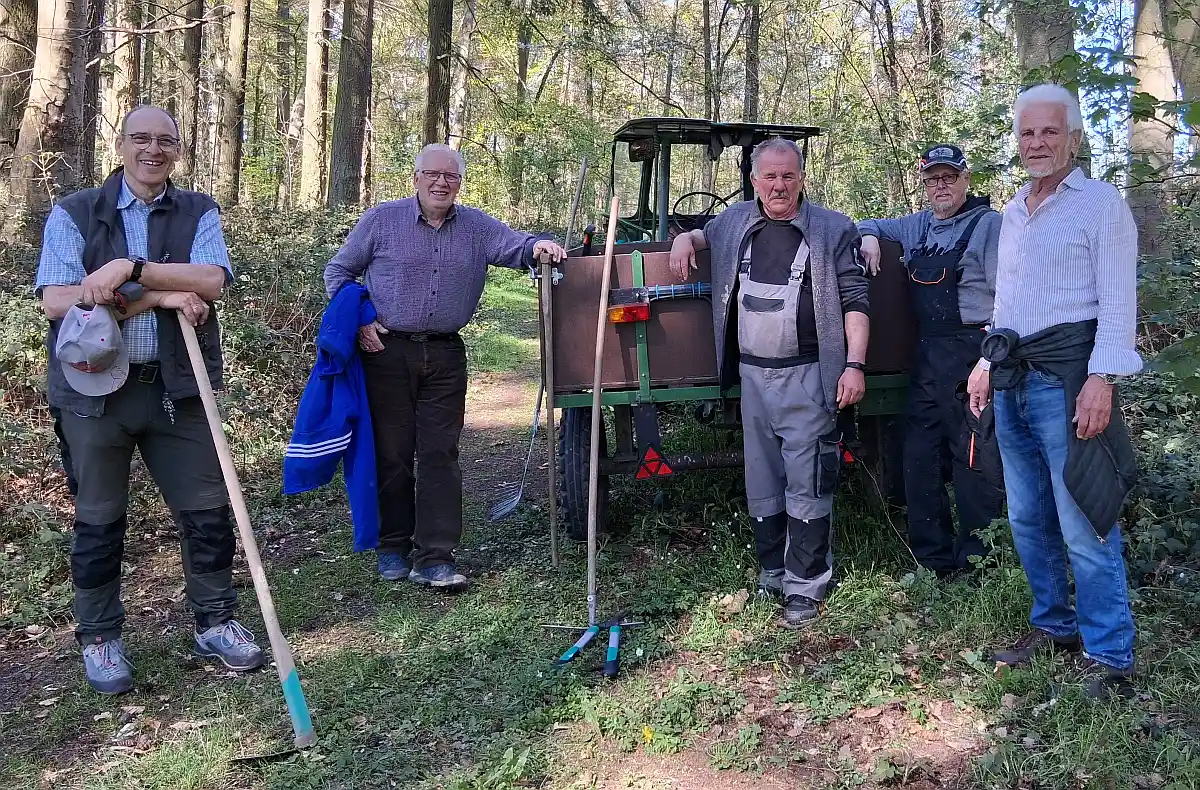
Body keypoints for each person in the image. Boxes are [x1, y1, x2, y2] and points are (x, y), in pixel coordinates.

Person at [34, 104, 265, 696]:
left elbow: (213, 281)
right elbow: (60, 302)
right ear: (121, 143)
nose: (152, 150)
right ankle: (100, 636)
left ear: (178, 149)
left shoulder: (198, 211)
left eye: (165, 140)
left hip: (176, 387)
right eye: (140, 138)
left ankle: (216, 621)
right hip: (91, 392)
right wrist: (161, 295)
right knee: (98, 517)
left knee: (208, 511)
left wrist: (128, 269)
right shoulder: (75, 212)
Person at [323, 143, 566, 591]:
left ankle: (435, 556)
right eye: (432, 174)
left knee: (440, 452)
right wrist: (360, 320)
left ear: (459, 183)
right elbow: (338, 272)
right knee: (392, 454)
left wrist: (541, 246)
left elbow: (516, 246)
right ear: (415, 179)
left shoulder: (474, 226)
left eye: (450, 176)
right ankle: (392, 545)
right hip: (386, 352)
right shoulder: (381, 221)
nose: (441, 182)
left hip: (446, 355)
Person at [967, 84, 1142, 697]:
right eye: (1027, 133)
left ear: (1072, 138)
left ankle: (1110, 654)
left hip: (1069, 380)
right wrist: (986, 361)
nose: (1036, 142)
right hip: (1013, 377)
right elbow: (1010, 300)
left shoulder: (1099, 204)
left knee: (1083, 518)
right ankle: (1054, 624)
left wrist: (1102, 378)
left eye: (1049, 132)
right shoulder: (1014, 209)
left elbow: (1119, 300)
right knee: (1028, 516)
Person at [669, 137, 870, 629]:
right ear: (754, 180)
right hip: (752, 378)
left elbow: (855, 302)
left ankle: (806, 588)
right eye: (770, 177)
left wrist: (854, 365)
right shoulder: (736, 220)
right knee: (762, 482)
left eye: (789, 176)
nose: (779, 186)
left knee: (808, 482)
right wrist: (683, 239)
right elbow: (702, 236)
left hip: (808, 376)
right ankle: (773, 573)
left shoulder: (832, 229)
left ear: (802, 177)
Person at [857, 144, 1004, 581]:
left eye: (950, 177)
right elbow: (866, 224)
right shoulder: (918, 225)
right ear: (924, 184)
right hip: (926, 356)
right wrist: (867, 236)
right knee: (919, 456)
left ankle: (979, 563)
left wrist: (991, 361)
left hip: (972, 354)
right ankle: (931, 561)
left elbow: (1007, 299)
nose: (941, 185)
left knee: (973, 460)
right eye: (933, 178)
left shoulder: (988, 225)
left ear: (966, 179)